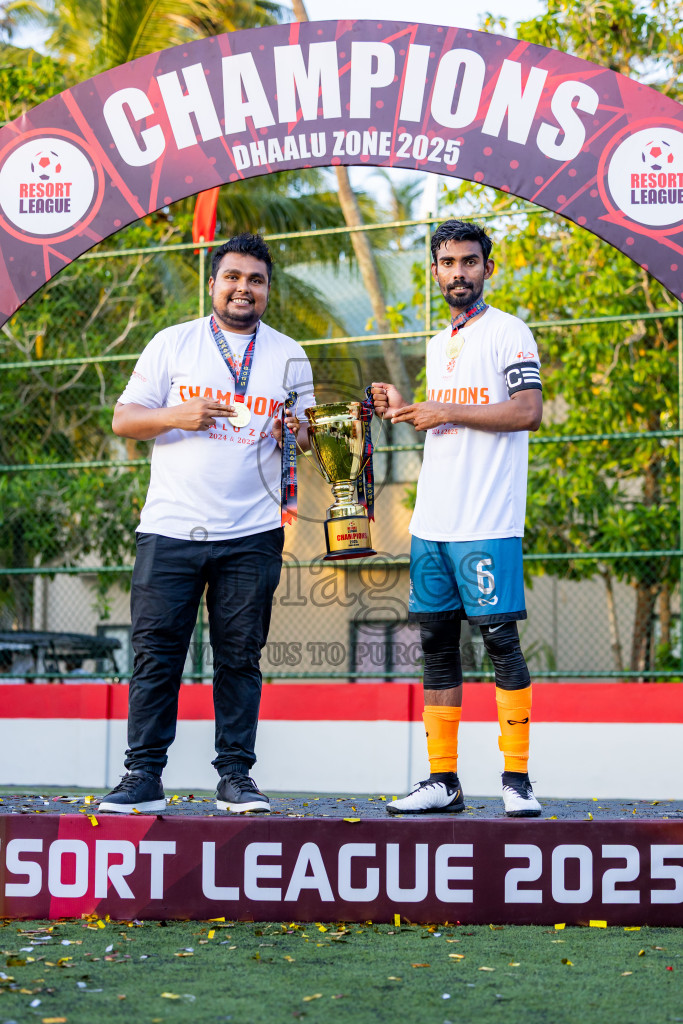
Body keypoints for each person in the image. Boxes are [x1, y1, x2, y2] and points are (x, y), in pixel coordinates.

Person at [99, 233, 312, 815]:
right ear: (213, 283)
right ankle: (143, 775)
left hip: (252, 533)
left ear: (268, 289)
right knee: (155, 655)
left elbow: (310, 435)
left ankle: (236, 777)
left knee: (240, 658)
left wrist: (294, 432)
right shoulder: (172, 344)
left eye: (257, 280)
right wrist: (179, 416)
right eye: (234, 277)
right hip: (170, 528)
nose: (244, 288)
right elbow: (124, 419)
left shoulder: (290, 354)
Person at [372, 218, 543, 817]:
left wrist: (447, 408)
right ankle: (442, 781)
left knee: (501, 644)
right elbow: (445, 419)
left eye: (469, 262)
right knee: (438, 649)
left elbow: (527, 411)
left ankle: (517, 780)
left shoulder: (510, 332)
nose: (458, 272)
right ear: (436, 271)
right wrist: (402, 407)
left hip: (488, 521)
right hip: (433, 524)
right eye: (448, 263)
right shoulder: (438, 340)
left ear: (487, 269)